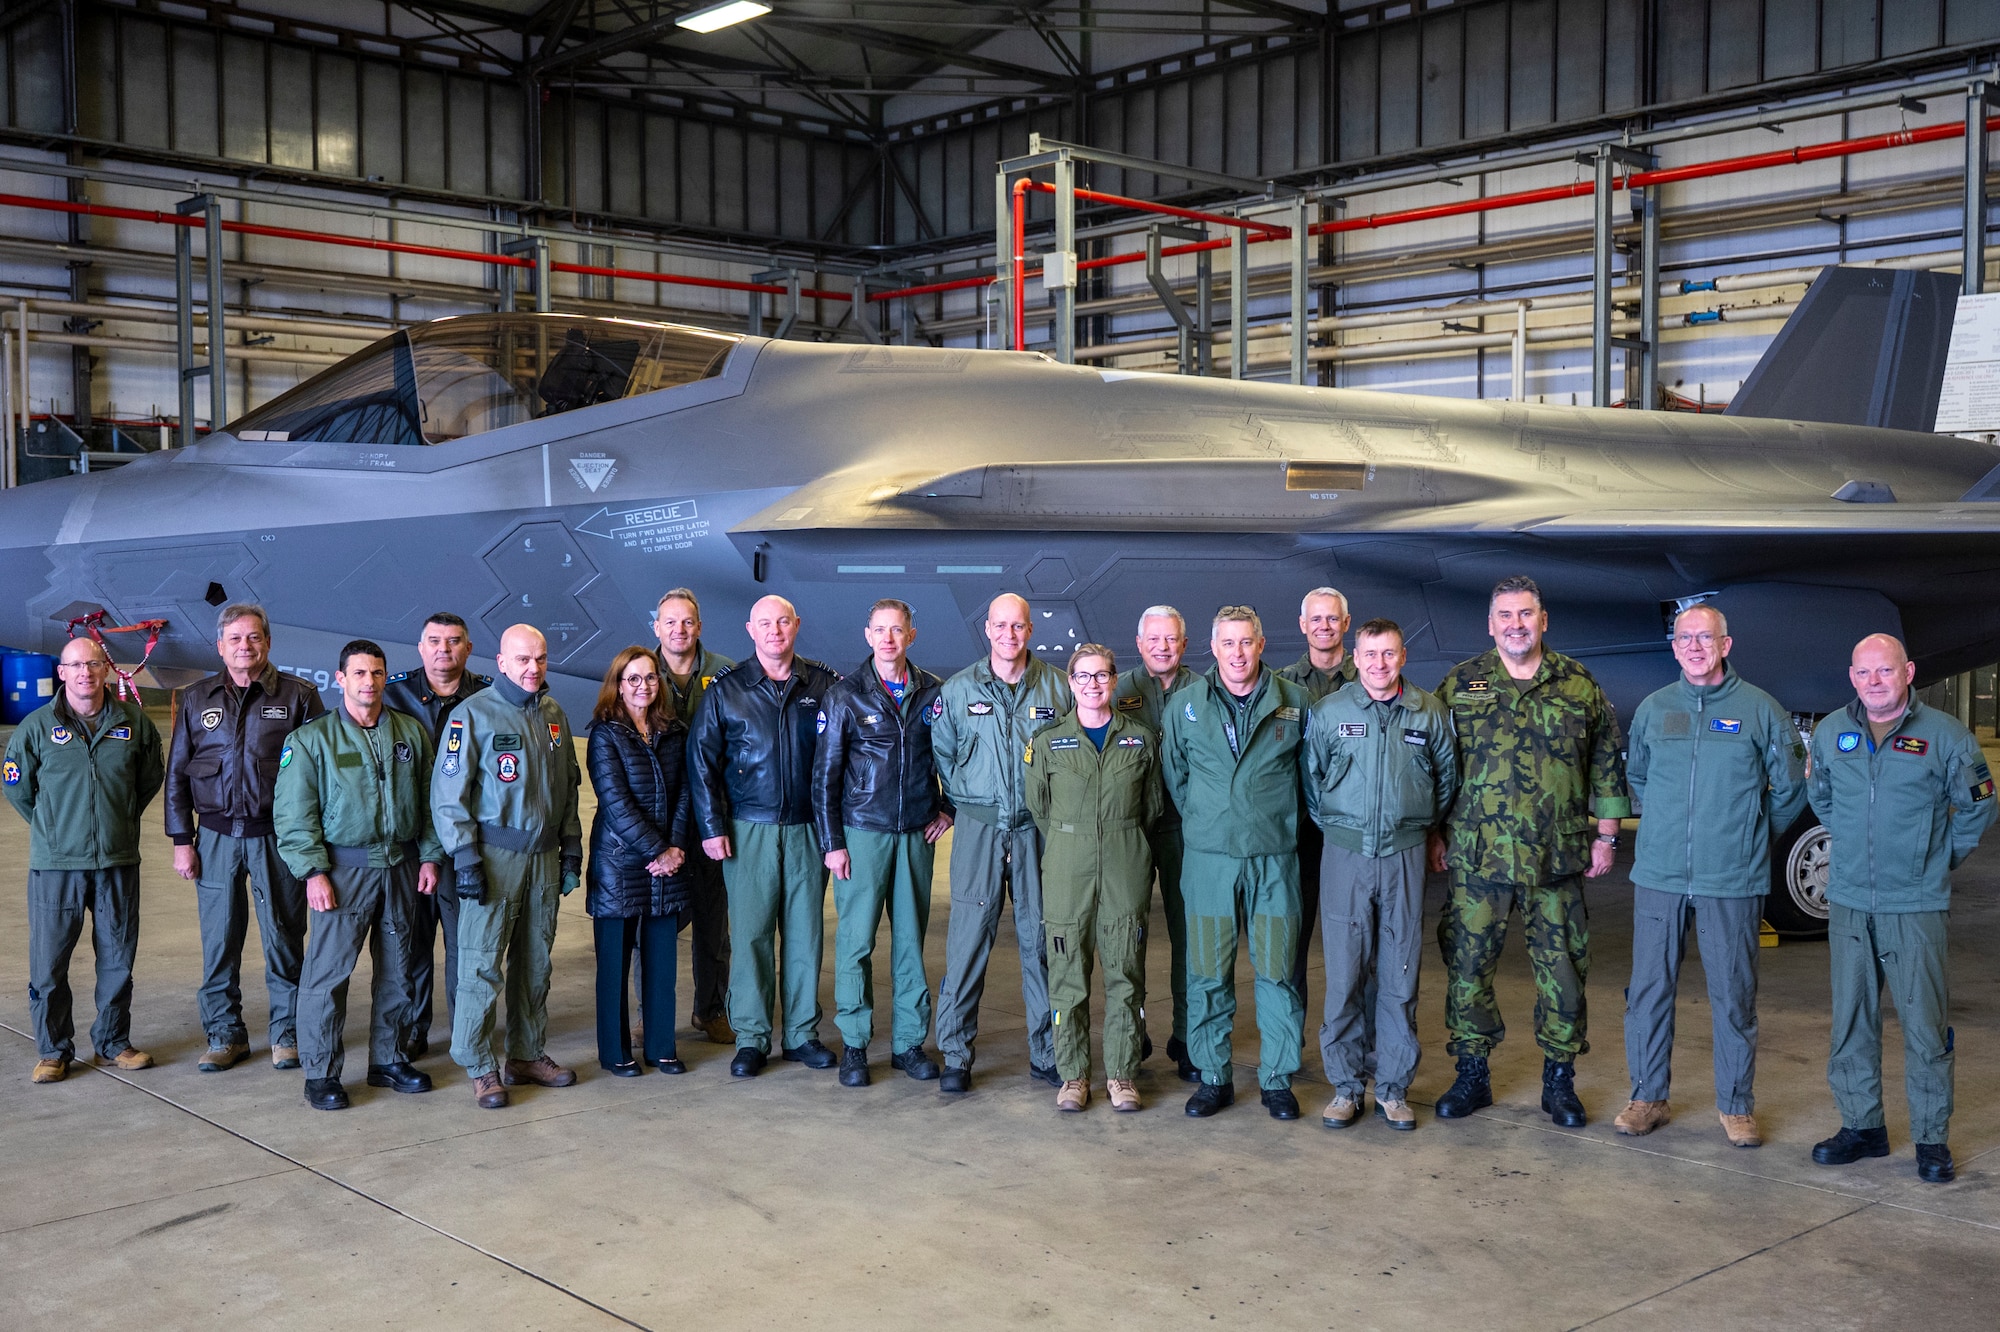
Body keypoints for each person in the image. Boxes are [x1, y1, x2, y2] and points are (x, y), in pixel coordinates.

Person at [1431, 576, 1629, 1128]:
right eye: (1504, 615)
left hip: (1555, 857)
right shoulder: (1461, 684)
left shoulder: (1577, 684)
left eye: (1525, 614)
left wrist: (1607, 834)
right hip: (1478, 856)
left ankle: (1559, 1081)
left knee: (1563, 970)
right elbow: (1437, 766)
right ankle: (1472, 1072)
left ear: (1543, 620)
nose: (1515, 624)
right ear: (1489, 624)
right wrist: (1433, 832)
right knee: (1468, 967)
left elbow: (1606, 759)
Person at [1806, 633, 1996, 1184]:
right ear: (1852, 677)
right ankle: (1862, 1126)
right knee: (1851, 1021)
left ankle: (1931, 1139)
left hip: (1913, 904)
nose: (1873, 682)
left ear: (1907, 672)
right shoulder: (1830, 733)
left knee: (1923, 1026)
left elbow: (1977, 807)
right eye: (1863, 673)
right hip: (1847, 903)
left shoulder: (1945, 736)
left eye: (1884, 672)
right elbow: (1821, 797)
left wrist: (1935, 862)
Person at [1617, 605, 1807, 1148]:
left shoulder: (1760, 709)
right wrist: (1670, 827)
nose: (1694, 647)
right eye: (1684, 638)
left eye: (1705, 637)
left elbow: (1791, 786)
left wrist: (1745, 833)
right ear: (1673, 647)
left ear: (1727, 644)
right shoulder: (1655, 710)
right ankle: (1647, 1097)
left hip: (1733, 878)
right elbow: (1639, 778)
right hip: (1660, 874)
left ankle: (1736, 1105)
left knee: (1733, 994)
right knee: (1649, 991)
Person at [273, 641, 443, 1110]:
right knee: (328, 975)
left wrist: (429, 857)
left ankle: (388, 1059)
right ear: (341, 679)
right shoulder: (312, 741)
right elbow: (293, 816)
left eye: (378, 673)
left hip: (402, 868)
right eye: (360, 673)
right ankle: (322, 1072)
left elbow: (431, 804)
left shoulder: (410, 733)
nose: (370, 682)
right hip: (343, 870)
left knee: (399, 969)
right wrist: (312, 872)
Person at [1160, 605, 1314, 1120]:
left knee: (1278, 973)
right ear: (1213, 647)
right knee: (1207, 974)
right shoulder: (1185, 706)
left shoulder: (1296, 702)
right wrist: (1214, 821)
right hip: (1209, 862)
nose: (1238, 653)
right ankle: (1213, 1078)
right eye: (1228, 643)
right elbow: (1177, 778)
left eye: (1246, 642)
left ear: (1262, 644)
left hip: (1275, 862)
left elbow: (1310, 781)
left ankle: (1276, 1079)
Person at [1303, 618, 1455, 1131]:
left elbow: (1445, 778)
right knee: (1345, 974)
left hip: (1404, 855)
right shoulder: (1330, 712)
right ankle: (1346, 1088)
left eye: (1389, 654)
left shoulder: (1428, 712)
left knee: (1400, 974)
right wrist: (1343, 829)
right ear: (1357, 656)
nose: (1379, 664)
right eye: (1370, 654)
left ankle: (1392, 1087)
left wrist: (1417, 827)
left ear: (1402, 657)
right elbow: (1313, 780)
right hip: (1345, 854)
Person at [164, 603, 326, 1073]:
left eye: (253, 637)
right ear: (220, 646)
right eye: (234, 639)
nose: (244, 646)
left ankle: (287, 1034)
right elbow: (176, 775)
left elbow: (319, 776)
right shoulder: (196, 698)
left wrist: (312, 845)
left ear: (268, 643)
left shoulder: (299, 697)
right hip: (214, 838)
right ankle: (224, 1035)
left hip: (277, 838)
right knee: (220, 943)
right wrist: (181, 839)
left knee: (284, 937)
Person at [432, 623, 584, 1109]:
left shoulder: (554, 715)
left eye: (539, 659)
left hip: (542, 858)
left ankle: (525, 1053)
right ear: (500, 662)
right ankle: (479, 1065)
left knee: (535, 961)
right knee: (481, 964)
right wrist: (465, 858)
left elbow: (567, 789)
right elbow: (448, 797)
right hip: (493, 859)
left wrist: (572, 846)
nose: (533, 668)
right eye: (522, 660)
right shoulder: (470, 715)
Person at [687, 595, 841, 1077]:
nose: (775, 631)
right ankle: (751, 1037)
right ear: (749, 630)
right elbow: (701, 763)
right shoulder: (726, 690)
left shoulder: (824, 684)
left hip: (807, 828)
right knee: (751, 935)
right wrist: (711, 827)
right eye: (764, 624)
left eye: (783, 622)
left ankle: (800, 1034)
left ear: (797, 625)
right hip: (747, 829)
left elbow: (843, 755)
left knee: (805, 936)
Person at [4, 638, 163, 1083]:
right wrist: (55, 828)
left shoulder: (135, 723)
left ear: (106, 670)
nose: (84, 673)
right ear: (62, 673)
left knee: (117, 958)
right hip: (56, 867)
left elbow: (149, 779)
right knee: (49, 962)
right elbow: (18, 788)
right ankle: (54, 1050)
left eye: (93, 664)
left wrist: (119, 821)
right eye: (74, 665)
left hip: (116, 860)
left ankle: (114, 1042)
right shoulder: (35, 727)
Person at [811, 599, 953, 1088]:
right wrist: (832, 842)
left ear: (912, 635)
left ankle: (909, 1044)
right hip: (862, 833)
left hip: (915, 834)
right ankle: (854, 1044)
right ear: (867, 635)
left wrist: (948, 807)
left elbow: (953, 756)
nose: (889, 639)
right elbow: (824, 775)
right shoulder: (845, 695)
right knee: (855, 944)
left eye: (898, 630)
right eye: (880, 630)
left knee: (911, 944)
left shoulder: (933, 692)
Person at [931, 593, 1070, 1093]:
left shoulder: (1057, 687)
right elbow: (943, 756)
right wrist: (974, 802)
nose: (1009, 635)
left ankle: (1048, 1052)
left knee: (1042, 944)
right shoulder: (958, 690)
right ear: (986, 629)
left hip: (1038, 831)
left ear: (1029, 631)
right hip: (979, 831)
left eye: (1018, 627)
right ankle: (955, 1053)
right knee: (968, 943)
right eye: (1000, 626)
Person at [1026, 644, 1164, 1113]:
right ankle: (1073, 1076)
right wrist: (1077, 840)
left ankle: (1122, 1075)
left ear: (1114, 680)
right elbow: (1040, 809)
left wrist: (1122, 841)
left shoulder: (1141, 740)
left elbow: (1152, 807)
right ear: (1070, 682)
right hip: (1068, 866)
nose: (1092, 685)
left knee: (1126, 972)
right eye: (1082, 677)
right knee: (1068, 976)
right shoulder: (1048, 742)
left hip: (1126, 861)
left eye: (1101, 676)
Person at [384, 611, 491, 1061]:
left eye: (453, 642)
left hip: (469, 841)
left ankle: (467, 1031)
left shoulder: (489, 695)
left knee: (466, 944)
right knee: (412, 942)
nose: (443, 650)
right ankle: (413, 1027)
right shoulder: (393, 694)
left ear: (468, 648)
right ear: (420, 647)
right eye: (434, 641)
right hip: (410, 843)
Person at [585, 646, 692, 1076]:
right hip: (620, 865)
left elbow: (687, 792)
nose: (643, 686)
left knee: (662, 962)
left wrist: (677, 847)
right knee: (613, 965)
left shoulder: (673, 731)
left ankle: (662, 1047)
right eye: (633, 679)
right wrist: (658, 851)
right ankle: (614, 1052)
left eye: (650, 678)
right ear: (618, 684)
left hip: (669, 863)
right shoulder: (605, 734)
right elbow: (615, 802)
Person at [1115, 605, 1200, 1082]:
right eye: (1155, 639)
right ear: (1140, 641)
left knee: (1188, 937)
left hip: (1185, 830)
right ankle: (1133, 1033)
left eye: (1172, 639)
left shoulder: (1204, 691)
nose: (1163, 647)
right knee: (1128, 934)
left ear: (1183, 645)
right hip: (1132, 827)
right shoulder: (1118, 690)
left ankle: (1187, 1037)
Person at [655, 588, 736, 1047]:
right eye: (670, 622)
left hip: (711, 817)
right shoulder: (637, 671)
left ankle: (710, 1009)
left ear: (699, 627)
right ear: (657, 627)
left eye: (687, 622)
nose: (679, 630)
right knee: (657, 923)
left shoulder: (725, 674)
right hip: (660, 819)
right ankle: (653, 1012)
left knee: (713, 923)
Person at [1277, 588, 1357, 1011]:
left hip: (1352, 829)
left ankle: (1359, 1040)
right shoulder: (1281, 685)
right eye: (1316, 619)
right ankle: (1290, 1041)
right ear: (1302, 624)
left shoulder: (1369, 678)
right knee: (1292, 942)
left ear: (1346, 624)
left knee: (1358, 941)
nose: (1324, 626)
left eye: (1332, 619)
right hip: (1299, 833)